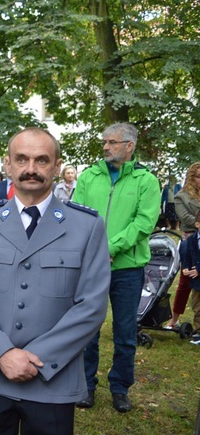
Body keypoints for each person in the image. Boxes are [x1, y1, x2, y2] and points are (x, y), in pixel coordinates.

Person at [0, 127, 111, 435]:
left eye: (42, 160)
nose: (31, 169)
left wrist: (39, 359)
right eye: (22, 159)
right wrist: (3, 354)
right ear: (8, 164)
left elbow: (91, 305)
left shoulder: (86, 226)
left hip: (52, 378)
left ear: (56, 166)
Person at [72, 122, 160, 413]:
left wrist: (111, 248)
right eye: (104, 142)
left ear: (129, 146)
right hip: (92, 268)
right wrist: (96, 250)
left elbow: (144, 223)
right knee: (88, 330)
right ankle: (86, 385)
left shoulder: (146, 181)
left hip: (128, 269)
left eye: (112, 142)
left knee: (125, 332)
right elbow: (78, 216)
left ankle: (120, 388)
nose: (106, 147)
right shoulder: (88, 176)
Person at [166, 163, 200, 329]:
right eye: (198, 176)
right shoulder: (182, 196)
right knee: (185, 281)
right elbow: (186, 219)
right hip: (191, 240)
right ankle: (174, 319)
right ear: (191, 178)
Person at [179, 211, 200, 344]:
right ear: (197, 224)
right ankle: (199, 331)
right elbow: (186, 255)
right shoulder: (191, 240)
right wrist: (186, 267)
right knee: (197, 306)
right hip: (197, 282)